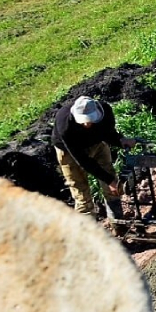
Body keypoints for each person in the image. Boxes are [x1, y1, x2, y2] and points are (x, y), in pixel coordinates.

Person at [51, 95, 136, 225]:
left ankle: (118, 224)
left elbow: (108, 133)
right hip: (70, 152)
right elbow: (82, 160)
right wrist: (109, 181)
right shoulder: (65, 123)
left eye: (90, 120)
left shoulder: (106, 111)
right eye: (83, 121)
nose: (86, 124)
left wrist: (120, 140)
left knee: (113, 183)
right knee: (81, 193)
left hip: (97, 144)